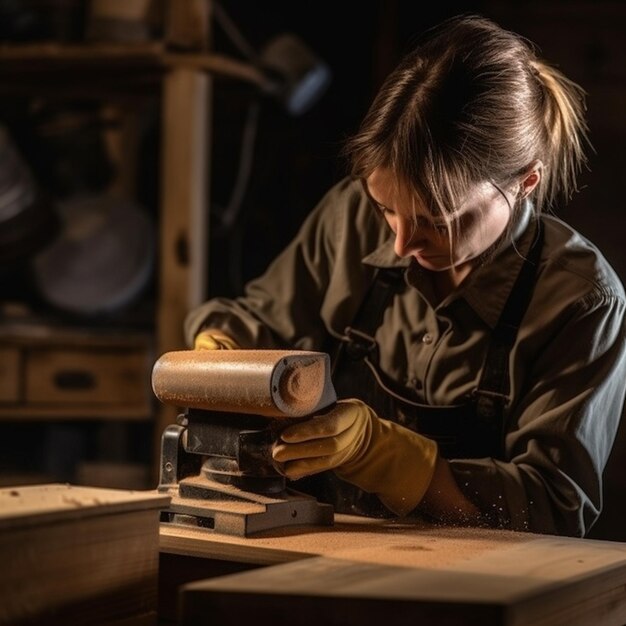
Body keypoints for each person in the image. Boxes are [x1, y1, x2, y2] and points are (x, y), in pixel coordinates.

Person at [184, 15, 626, 537]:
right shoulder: (350, 216)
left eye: (437, 221)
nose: (400, 243)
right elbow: (260, 318)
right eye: (386, 209)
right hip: (320, 557)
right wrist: (225, 358)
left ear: (526, 180)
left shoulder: (581, 301)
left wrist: (388, 457)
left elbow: (552, 509)